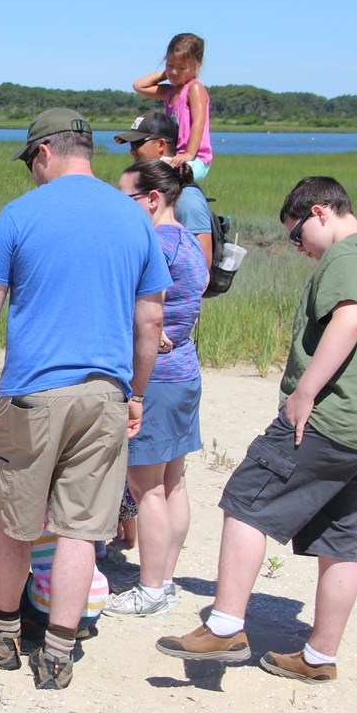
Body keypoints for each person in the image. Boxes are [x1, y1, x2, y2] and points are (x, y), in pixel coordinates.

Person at [157, 176, 357, 683]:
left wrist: (306, 391)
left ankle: (225, 625)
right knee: (339, 539)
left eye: (297, 237)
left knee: (246, 498)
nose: (300, 250)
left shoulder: (347, 252)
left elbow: (351, 318)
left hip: (331, 418)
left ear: (320, 213)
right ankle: (318, 657)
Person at [0, 108, 170, 690]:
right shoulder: (133, 221)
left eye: (31, 161)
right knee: (82, 527)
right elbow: (150, 320)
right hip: (106, 394)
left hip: (33, 393)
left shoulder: (21, 215)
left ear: (46, 151)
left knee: (14, 521)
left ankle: (1, 634)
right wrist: (136, 393)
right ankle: (57, 653)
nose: (31, 173)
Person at [104, 160, 209, 618]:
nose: (118, 207)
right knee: (173, 482)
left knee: (146, 487)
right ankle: (163, 578)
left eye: (124, 198)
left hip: (157, 377)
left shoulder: (156, 244)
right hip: (184, 370)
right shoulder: (186, 238)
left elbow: (147, 315)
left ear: (151, 199)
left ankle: (149, 588)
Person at [114, 111, 214, 267]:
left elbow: (201, 269)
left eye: (137, 143)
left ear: (161, 145)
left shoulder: (187, 198)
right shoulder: (149, 187)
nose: (132, 151)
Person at [134, 33, 213, 182]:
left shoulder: (194, 88)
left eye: (181, 68)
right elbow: (139, 86)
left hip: (196, 159)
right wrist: (166, 74)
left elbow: (198, 122)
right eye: (169, 65)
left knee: (164, 178)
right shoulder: (170, 91)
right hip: (176, 155)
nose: (174, 72)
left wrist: (189, 154)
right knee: (145, 172)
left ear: (197, 66)